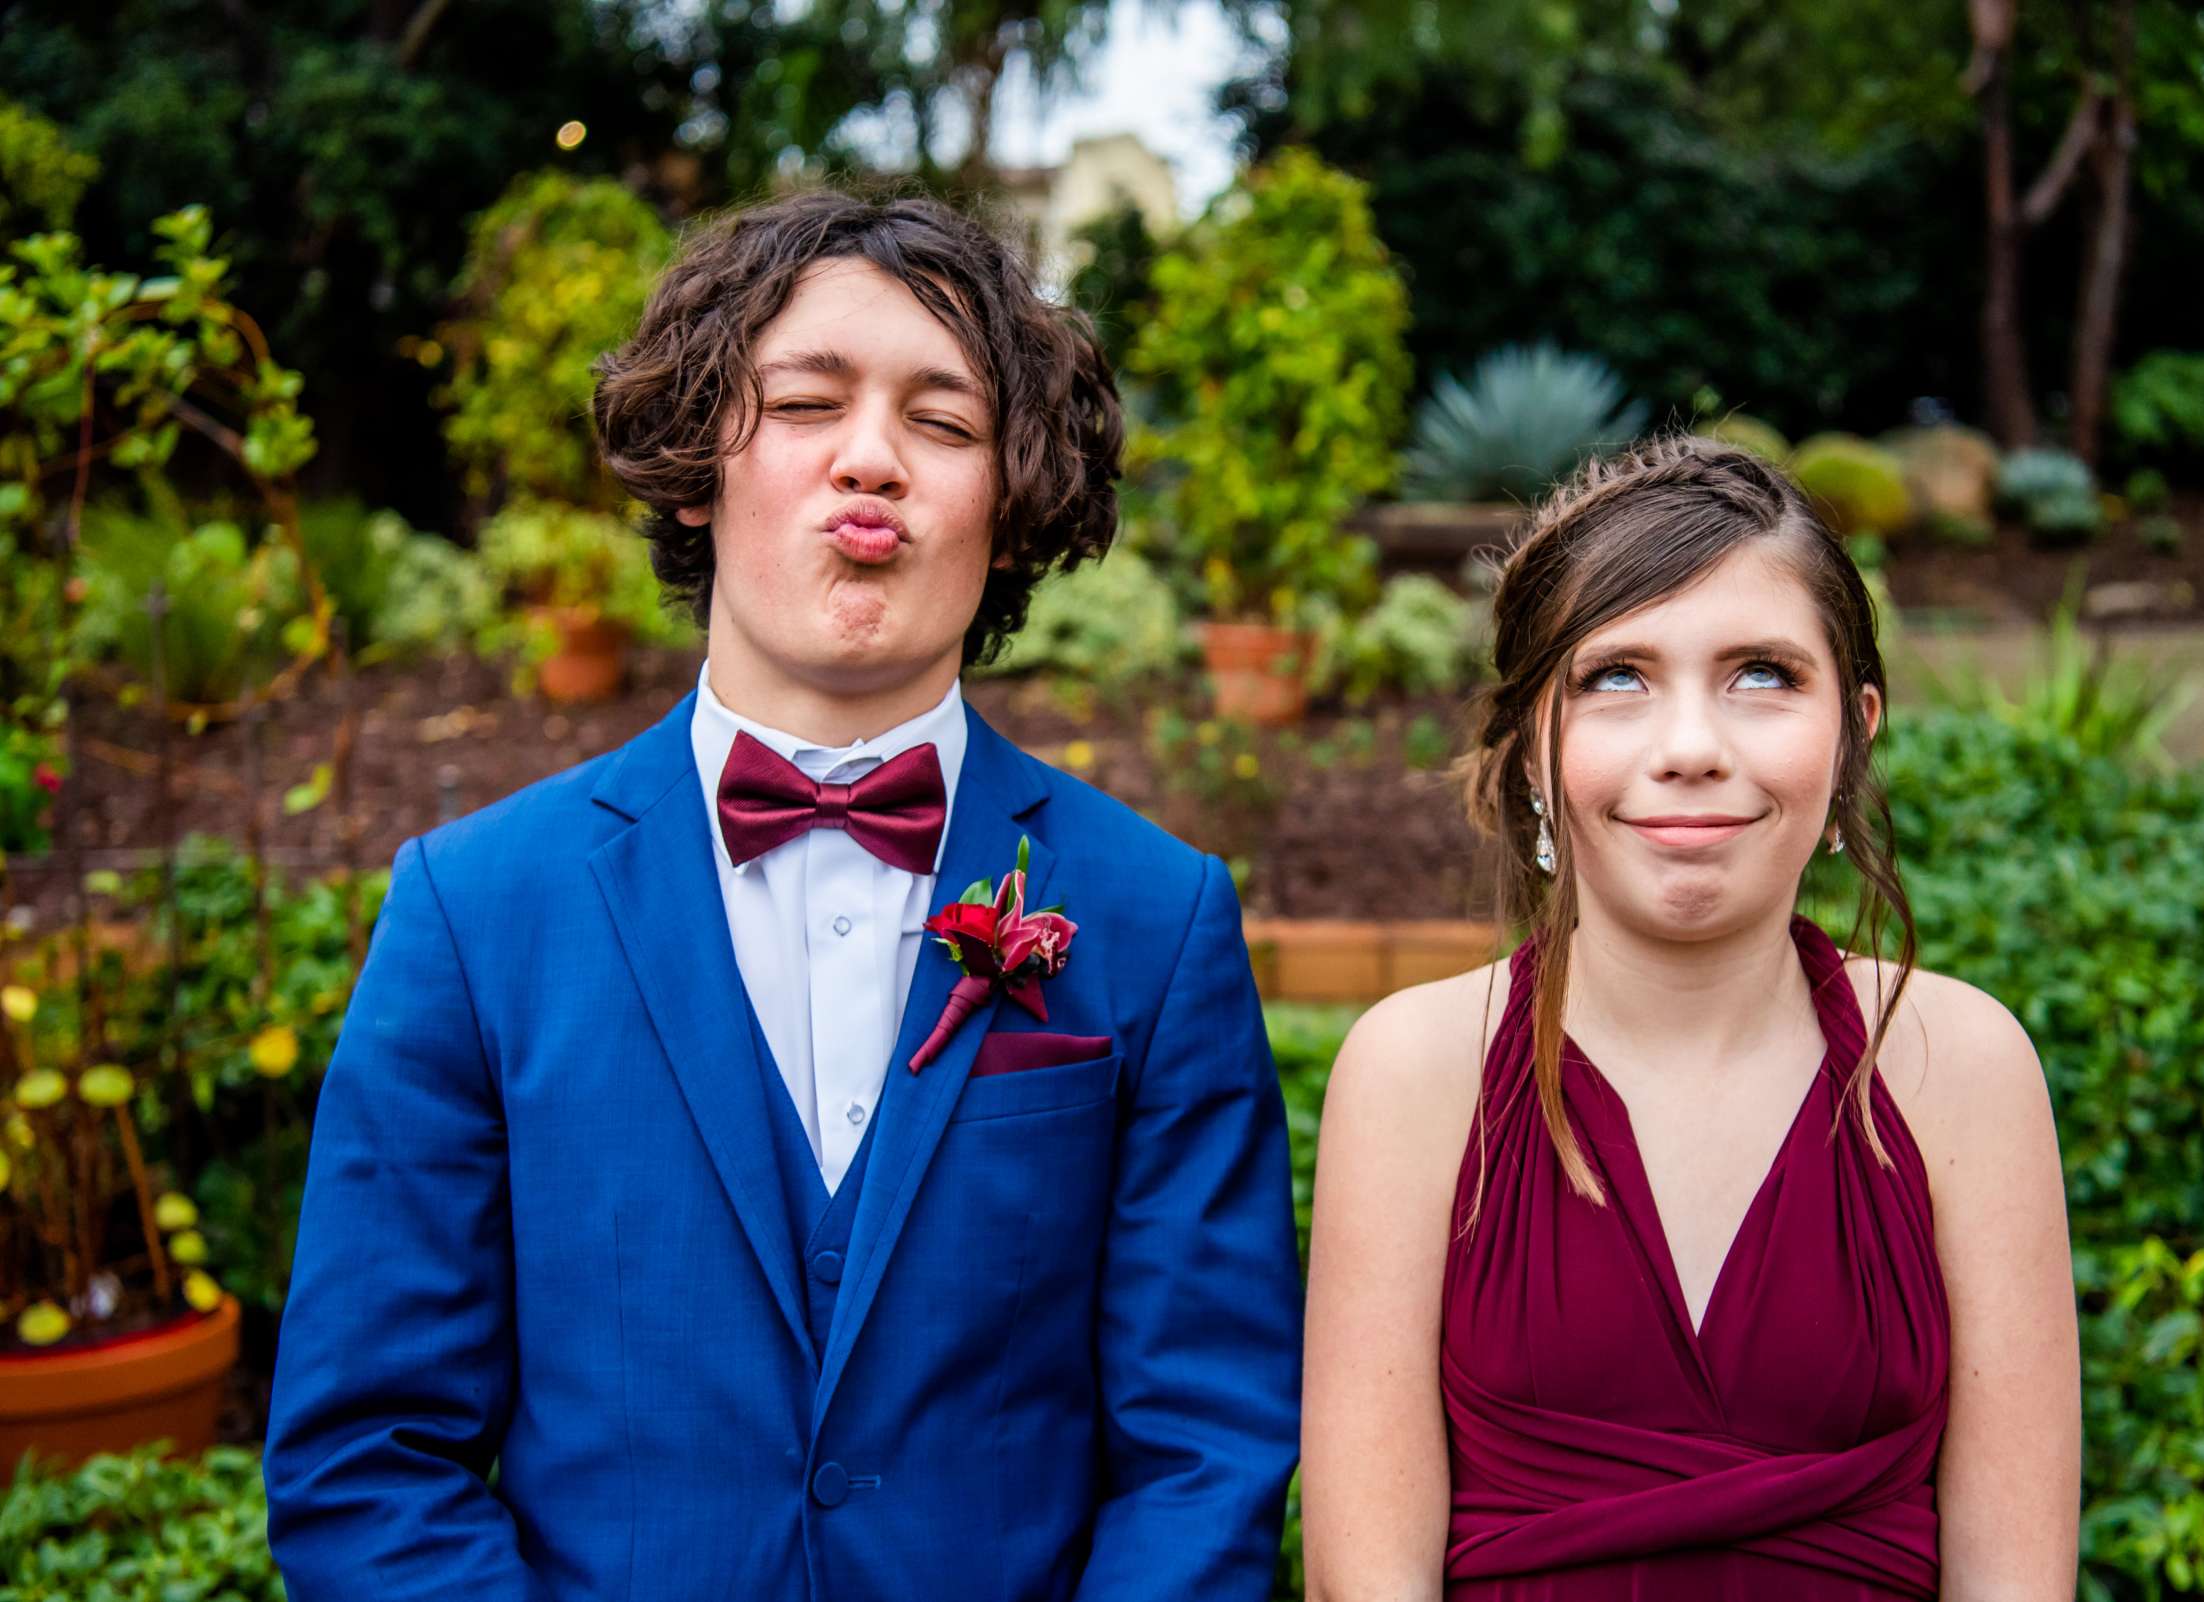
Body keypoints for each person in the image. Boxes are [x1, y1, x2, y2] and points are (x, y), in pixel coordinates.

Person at [264, 187, 1302, 1602]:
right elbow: (367, 1456)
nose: (872, 459)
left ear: (1009, 505)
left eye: (942, 423)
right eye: (809, 403)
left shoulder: (1156, 917)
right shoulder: (474, 908)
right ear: (697, 466)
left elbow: (1205, 1447)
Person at [1299, 434, 2080, 1601]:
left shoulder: (1958, 1068)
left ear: (1855, 731)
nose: (1692, 750)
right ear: (1529, 754)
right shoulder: (1415, 1075)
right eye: (1616, 677)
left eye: (1762, 673)